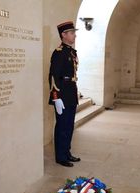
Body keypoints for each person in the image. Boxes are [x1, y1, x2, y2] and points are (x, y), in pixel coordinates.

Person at [48, 21, 81, 167]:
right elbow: (53, 76)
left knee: (69, 126)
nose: (74, 35)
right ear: (64, 35)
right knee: (62, 126)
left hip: (71, 93)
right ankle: (61, 157)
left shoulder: (71, 51)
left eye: (74, 32)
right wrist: (56, 98)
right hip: (62, 95)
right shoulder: (59, 53)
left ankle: (67, 153)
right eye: (72, 33)